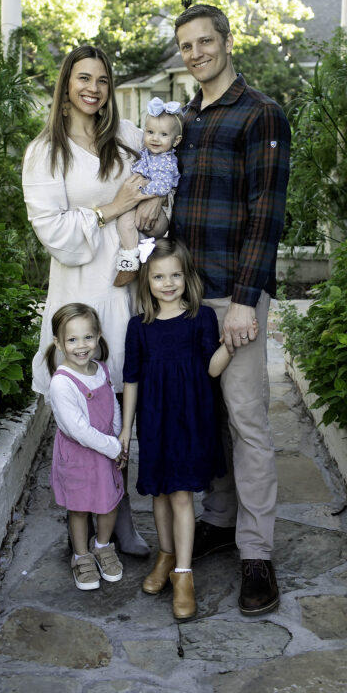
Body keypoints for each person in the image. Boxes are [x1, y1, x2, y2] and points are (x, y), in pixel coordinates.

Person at [23, 44, 168, 557]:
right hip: (80, 292)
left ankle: (119, 511)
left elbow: (160, 188)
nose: (94, 88)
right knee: (82, 405)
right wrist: (112, 208)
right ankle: (83, 515)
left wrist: (150, 205)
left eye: (103, 80)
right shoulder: (46, 152)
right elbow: (53, 231)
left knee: (120, 402)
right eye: (83, 78)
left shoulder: (128, 137)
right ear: (65, 86)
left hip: (126, 290)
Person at [170, 4, 291, 617]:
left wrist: (246, 301)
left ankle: (256, 555)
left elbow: (266, 213)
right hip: (186, 296)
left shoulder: (260, 113)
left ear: (226, 41)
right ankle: (219, 519)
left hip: (232, 294)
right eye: (186, 46)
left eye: (204, 42)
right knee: (207, 417)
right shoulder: (185, 118)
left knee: (247, 423)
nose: (196, 53)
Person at [118, 238, 231, 621]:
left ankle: (184, 574)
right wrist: (125, 431)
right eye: (159, 276)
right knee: (160, 494)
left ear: (187, 276)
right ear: (146, 281)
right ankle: (165, 555)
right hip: (153, 419)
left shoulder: (201, 318)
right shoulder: (140, 327)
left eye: (175, 275)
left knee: (181, 495)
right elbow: (131, 379)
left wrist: (231, 345)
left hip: (190, 418)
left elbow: (212, 369)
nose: (168, 284)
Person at [45, 303, 126, 591]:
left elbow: (114, 406)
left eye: (88, 337)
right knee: (79, 509)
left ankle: (103, 546)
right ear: (58, 343)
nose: (82, 346)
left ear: (99, 336)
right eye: (72, 339)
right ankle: (81, 555)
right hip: (80, 456)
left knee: (109, 502)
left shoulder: (101, 369)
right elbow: (78, 430)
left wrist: (118, 437)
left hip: (106, 451)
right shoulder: (62, 384)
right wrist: (114, 447)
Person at [114, 97, 183, 286]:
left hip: (162, 214)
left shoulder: (165, 160)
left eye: (163, 134)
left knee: (125, 219)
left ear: (176, 141)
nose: (155, 138)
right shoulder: (149, 153)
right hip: (148, 206)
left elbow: (162, 186)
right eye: (150, 132)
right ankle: (134, 259)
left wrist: (137, 190)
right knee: (125, 220)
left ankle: (131, 261)